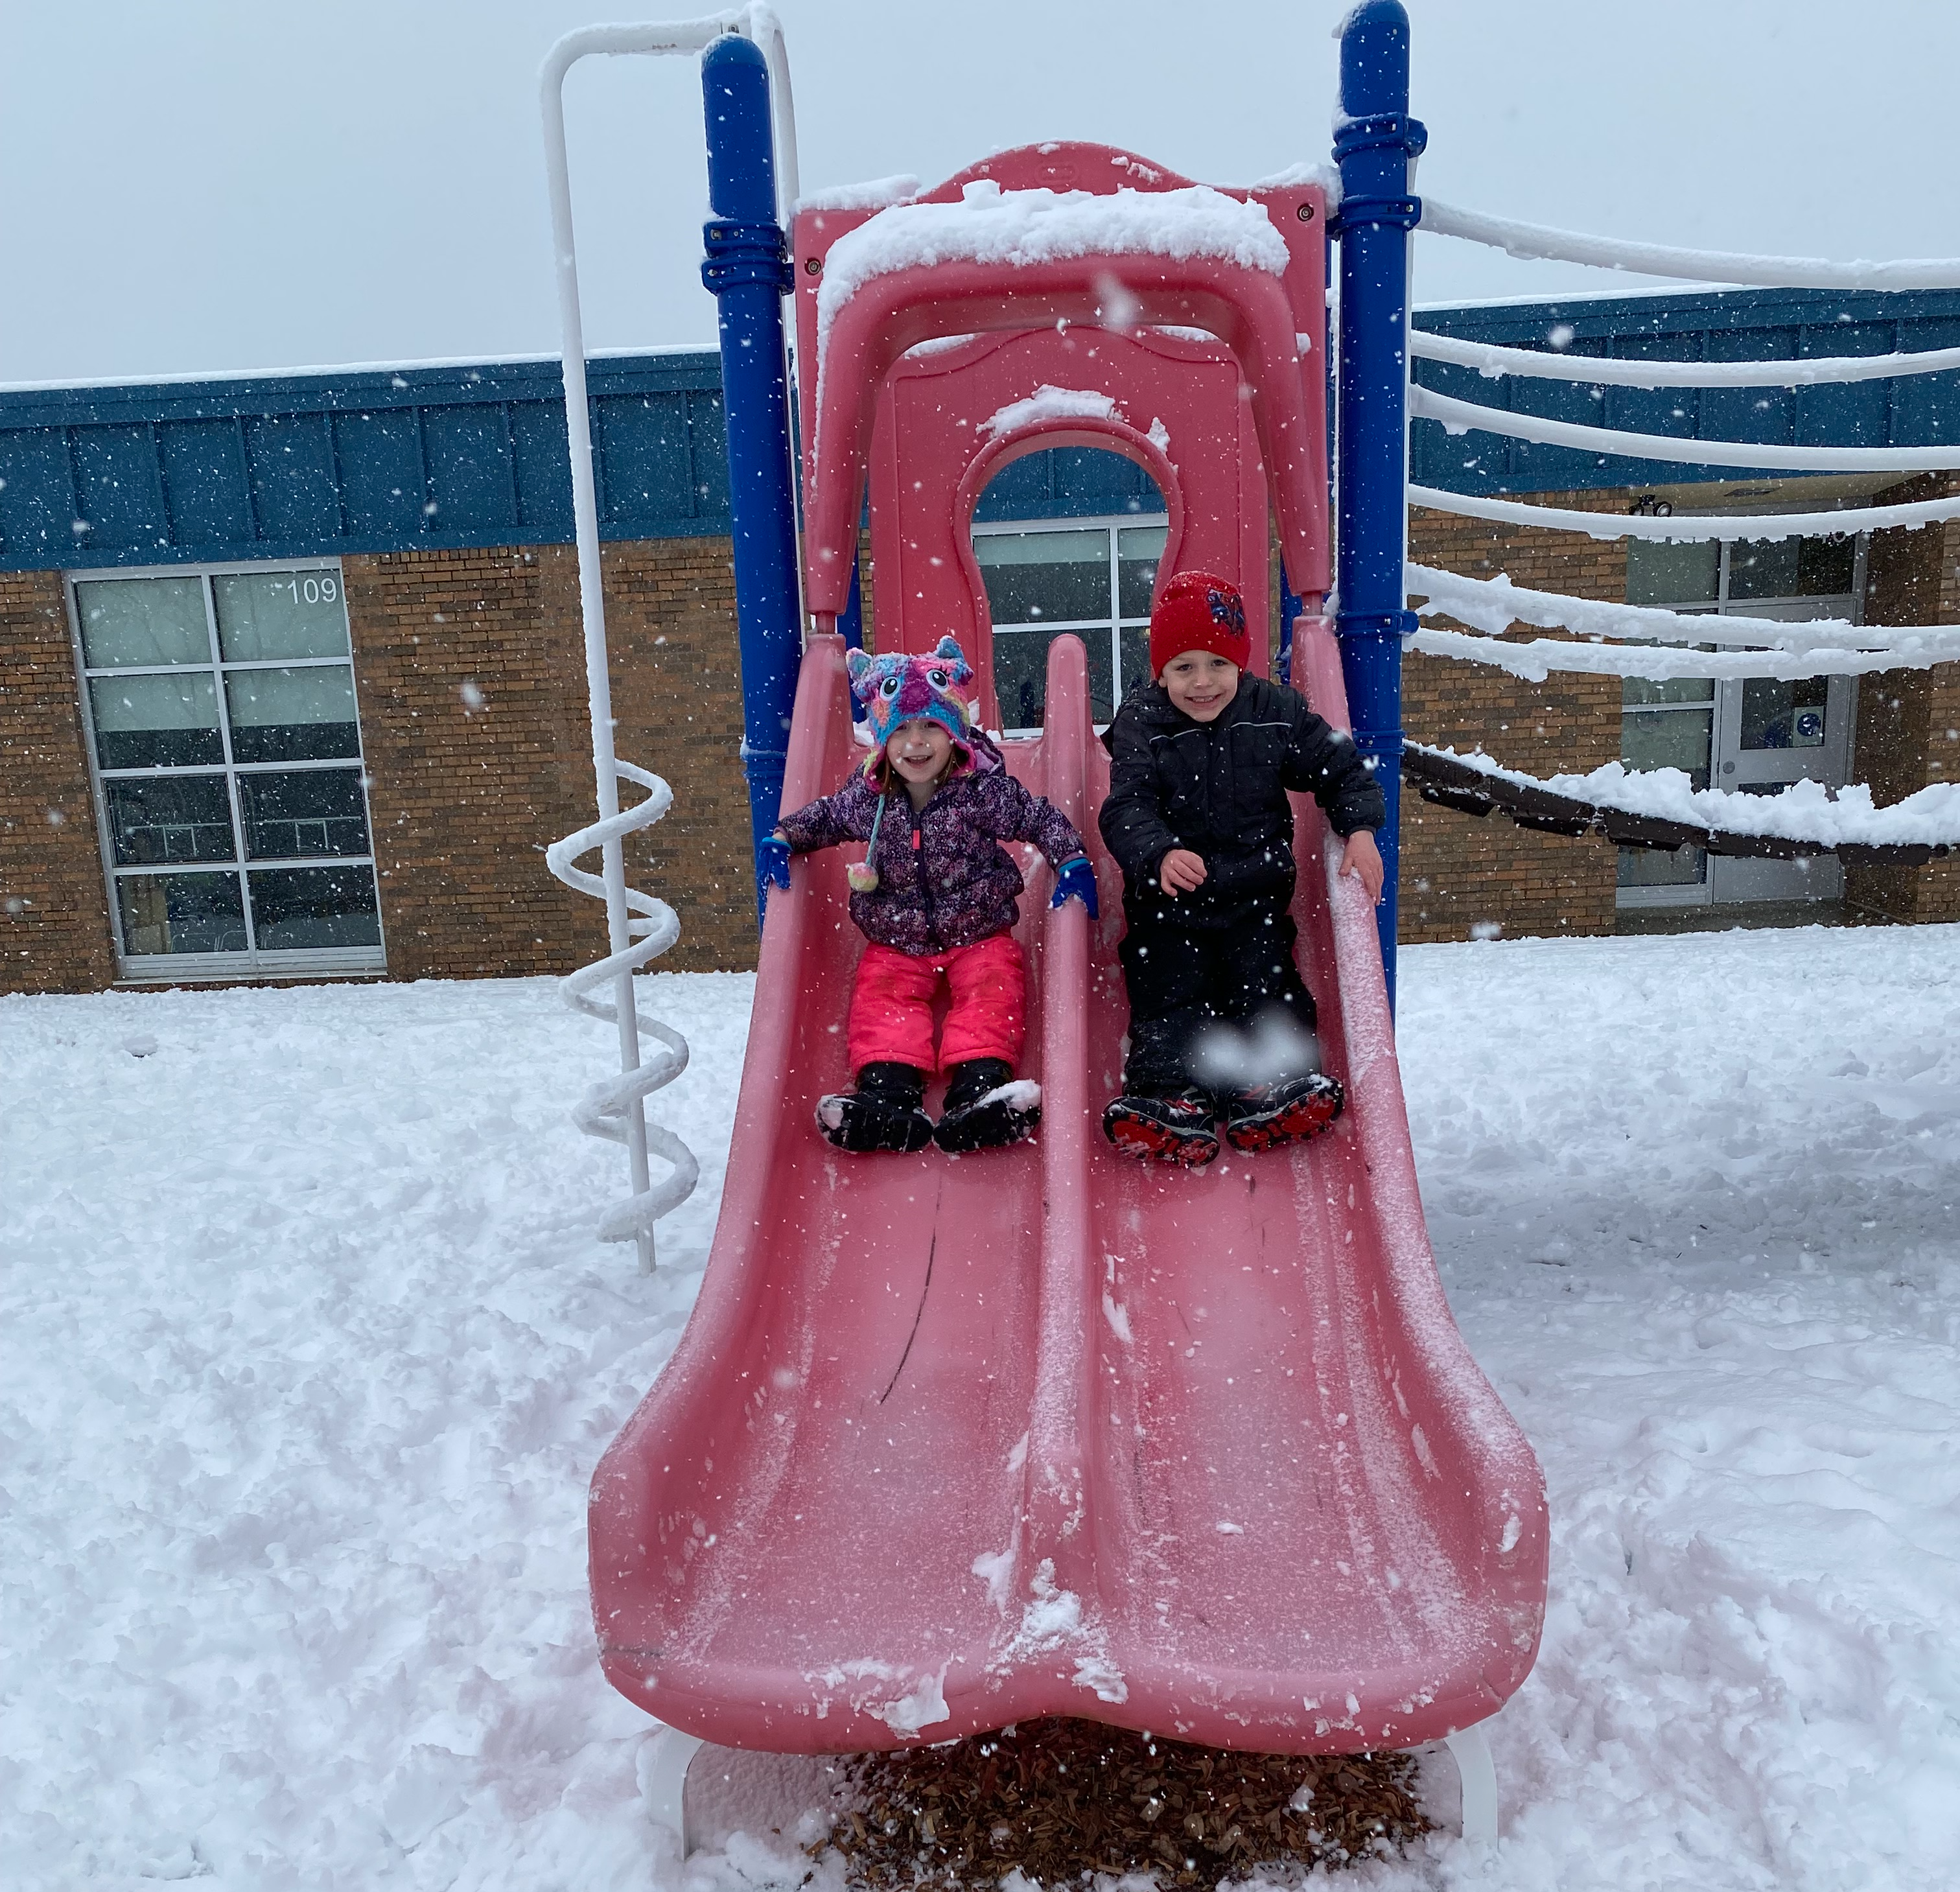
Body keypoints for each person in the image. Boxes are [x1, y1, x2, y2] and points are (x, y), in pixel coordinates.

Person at [762, 636, 1097, 1156]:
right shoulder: (870, 799)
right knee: (882, 1000)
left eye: (930, 729)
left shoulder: (980, 791)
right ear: (882, 739)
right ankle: (888, 1098)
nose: (915, 745)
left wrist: (1070, 857)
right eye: (901, 731)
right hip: (896, 936)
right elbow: (826, 816)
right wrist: (785, 837)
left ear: (954, 735)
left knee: (992, 990)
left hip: (979, 926)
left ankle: (981, 1091)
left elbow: (1037, 816)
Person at [1099, 570, 1386, 1169]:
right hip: (1168, 906)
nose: (1202, 682)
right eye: (1183, 668)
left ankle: (1274, 1086)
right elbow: (1126, 806)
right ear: (1160, 671)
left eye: (1217, 665)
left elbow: (1340, 766)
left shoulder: (1273, 712)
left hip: (1253, 901)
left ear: (1240, 663)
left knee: (1268, 984)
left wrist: (1358, 829)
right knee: (1171, 992)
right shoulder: (1142, 724)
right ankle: (1172, 1097)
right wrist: (1157, 854)